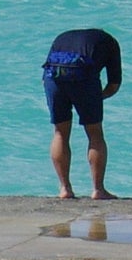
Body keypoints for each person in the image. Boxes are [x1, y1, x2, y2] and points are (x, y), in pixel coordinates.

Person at [43, 27, 123, 200]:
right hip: (84, 79)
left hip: (53, 77)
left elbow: (46, 70)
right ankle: (98, 190)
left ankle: (65, 189)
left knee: (60, 133)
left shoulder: (61, 36)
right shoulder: (111, 43)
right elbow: (114, 85)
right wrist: (96, 97)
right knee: (94, 133)